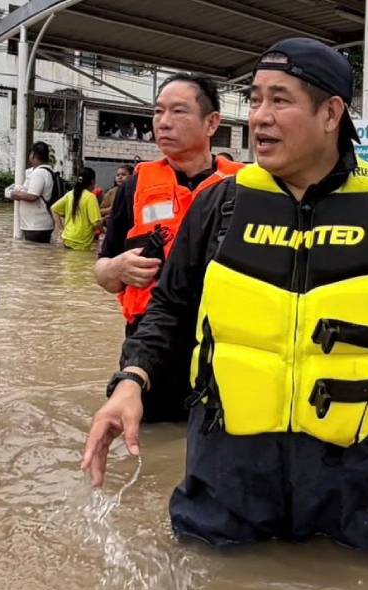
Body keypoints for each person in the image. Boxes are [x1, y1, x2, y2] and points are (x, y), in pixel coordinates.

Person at [82, 38, 368, 555]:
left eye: (279, 100)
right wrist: (131, 381)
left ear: (331, 113)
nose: (259, 117)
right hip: (226, 482)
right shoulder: (219, 205)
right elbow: (169, 309)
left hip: (354, 485)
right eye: (256, 99)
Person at [94, 74, 243, 423]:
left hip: (222, 347)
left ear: (212, 123)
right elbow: (102, 270)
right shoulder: (134, 187)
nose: (163, 122)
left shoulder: (246, 189)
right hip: (150, 346)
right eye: (158, 111)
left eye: (178, 111)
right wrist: (115, 269)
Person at [7, 142, 57, 243]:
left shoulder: (40, 173)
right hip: (38, 224)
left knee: (34, 254)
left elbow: (32, 196)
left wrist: (13, 193)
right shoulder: (44, 171)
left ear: (34, 155)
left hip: (36, 226)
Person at [50, 167, 102, 251]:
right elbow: (96, 222)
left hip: (67, 237)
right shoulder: (90, 197)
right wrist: (105, 231)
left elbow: (53, 209)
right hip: (81, 241)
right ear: (92, 181)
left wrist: (61, 229)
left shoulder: (70, 194)